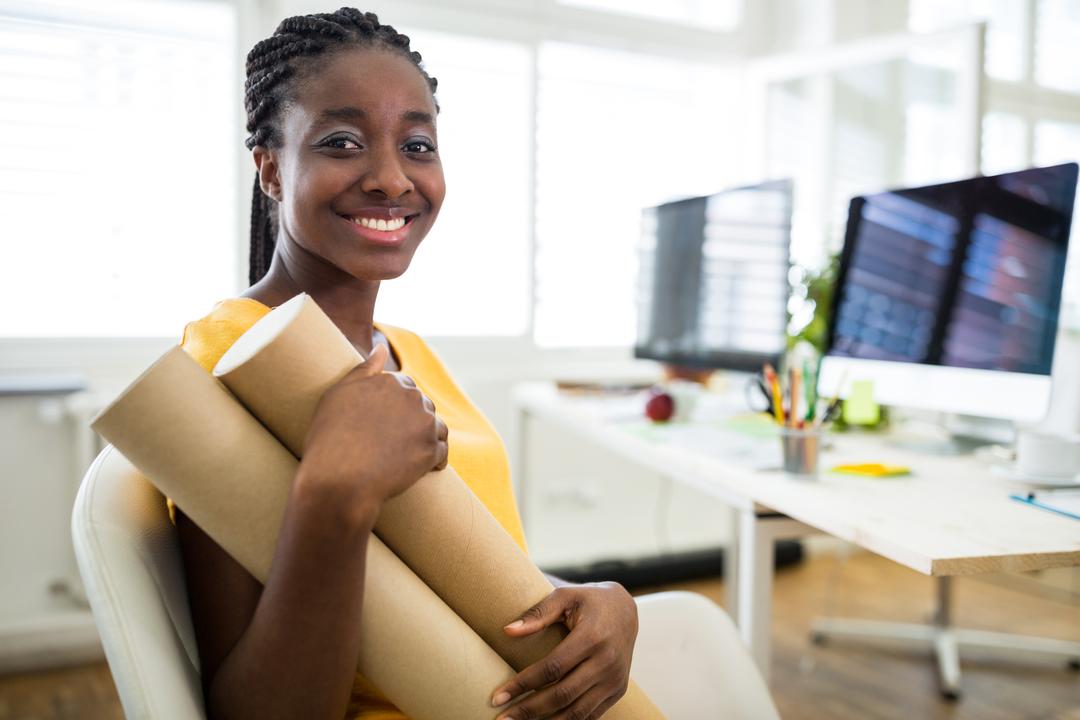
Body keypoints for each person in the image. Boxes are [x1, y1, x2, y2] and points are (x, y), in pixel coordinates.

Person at [175, 9, 639, 720]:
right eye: (341, 141)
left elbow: (463, 566)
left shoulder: (407, 349)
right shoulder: (231, 362)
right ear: (270, 167)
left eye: (417, 144)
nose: (392, 179)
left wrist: (598, 600)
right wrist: (336, 495)